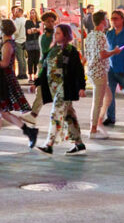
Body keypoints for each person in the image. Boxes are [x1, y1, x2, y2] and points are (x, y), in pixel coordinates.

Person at [35, 23, 87, 155]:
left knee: (56, 113)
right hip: (54, 88)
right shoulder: (52, 50)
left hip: (64, 88)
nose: (55, 35)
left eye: (58, 33)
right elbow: (44, 68)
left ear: (65, 35)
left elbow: (78, 70)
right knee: (69, 115)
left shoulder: (71, 50)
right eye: (55, 33)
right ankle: (78, 143)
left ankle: (49, 144)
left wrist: (81, 87)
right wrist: (37, 82)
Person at [0, 19, 35, 151]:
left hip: (4, 80)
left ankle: (28, 131)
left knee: (0, 111)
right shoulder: (7, 43)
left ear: (2, 30)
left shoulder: (7, 45)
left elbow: (4, 63)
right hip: (2, 79)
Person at [82, 10, 122, 140]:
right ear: (103, 21)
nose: (108, 21)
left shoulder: (90, 35)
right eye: (106, 18)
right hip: (99, 72)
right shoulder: (101, 36)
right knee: (98, 101)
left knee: (108, 96)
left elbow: (87, 55)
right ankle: (93, 128)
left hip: (93, 71)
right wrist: (114, 51)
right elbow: (102, 55)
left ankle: (98, 120)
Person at [25, 10, 56, 121]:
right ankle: (33, 115)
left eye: (52, 21)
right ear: (43, 23)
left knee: (55, 94)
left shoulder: (57, 35)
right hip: (44, 65)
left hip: (55, 68)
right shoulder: (42, 37)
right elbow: (45, 52)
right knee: (41, 91)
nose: (51, 23)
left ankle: (34, 115)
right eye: (48, 21)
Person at [11, 6, 28, 79]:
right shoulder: (25, 20)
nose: (15, 13)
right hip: (24, 40)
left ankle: (21, 74)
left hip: (18, 40)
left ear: (20, 12)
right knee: (23, 58)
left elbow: (16, 31)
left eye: (16, 11)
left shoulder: (18, 20)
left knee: (19, 58)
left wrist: (11, 32)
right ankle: (24, 73)